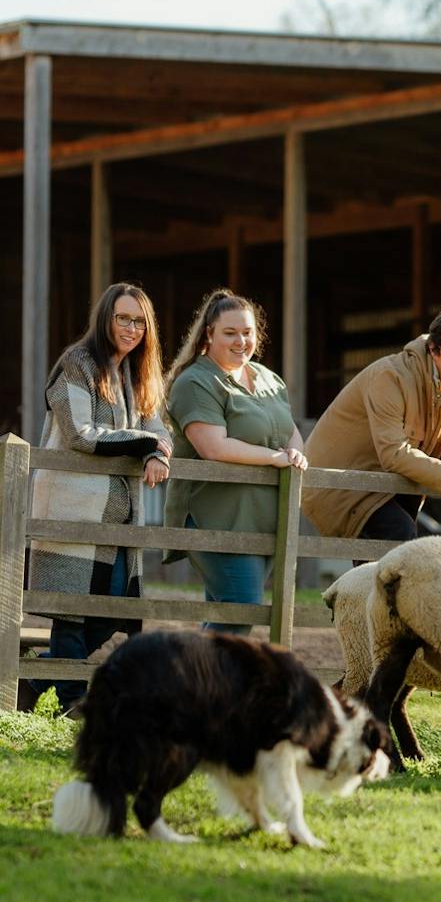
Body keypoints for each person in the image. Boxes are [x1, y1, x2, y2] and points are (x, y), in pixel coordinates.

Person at [20, 282, 172, 715]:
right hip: (71, 509)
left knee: (114, 609)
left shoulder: (137, 373)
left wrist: (158, 451)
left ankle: (34, 679)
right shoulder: (77, 364)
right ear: (106, 318)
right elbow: (81, 434)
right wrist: (147, 444)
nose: (131, 328)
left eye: (139, 321)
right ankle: (73, 704)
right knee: (71, 611)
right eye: (123, 318)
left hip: (117, 519)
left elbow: (159, 430)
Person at [163, 290, 307, 633]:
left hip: (264, 517)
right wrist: (274, 458)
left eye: (247, 332)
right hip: (216, 517)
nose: (241, 341)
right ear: (209, 334)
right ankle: (192, 667)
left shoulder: (269, 379)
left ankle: (199, 669)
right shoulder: (195, 382)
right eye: (230, 333)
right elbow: (213, 447)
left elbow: (290, 432)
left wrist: (295, 454)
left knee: (227, 613)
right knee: (242, 608)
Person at [301, 306, 441, 542]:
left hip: (396, 486)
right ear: (433, 350)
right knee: (400, 535)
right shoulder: (391, 377)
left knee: (399, 548)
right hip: (343, 486)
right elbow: (393, 453)